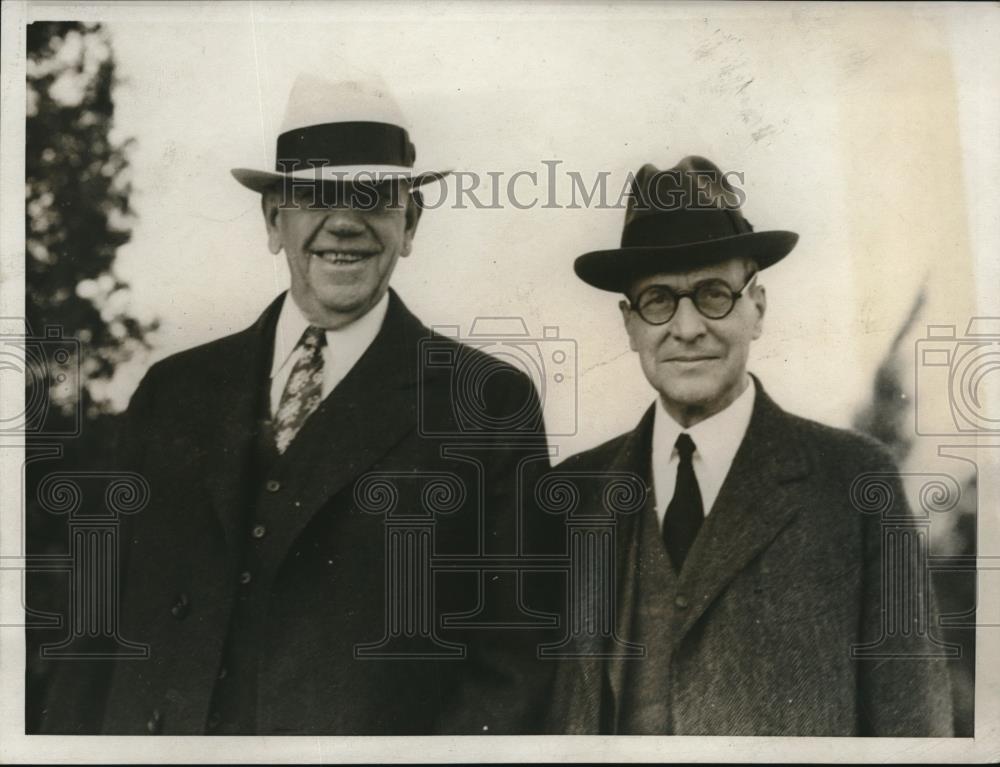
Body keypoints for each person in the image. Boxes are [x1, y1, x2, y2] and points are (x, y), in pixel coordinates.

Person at [39, 75, 553, 735]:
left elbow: (513, 668)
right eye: (314, 193)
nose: (344, 221)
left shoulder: (486, 404)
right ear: (273, 219)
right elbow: (91, 638)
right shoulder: (171, 392)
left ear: (411, 221)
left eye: (372, 195)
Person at [547, 156, 955, 736]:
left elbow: (914, 727)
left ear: (756, 309)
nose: (687, 328)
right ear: (629, 324)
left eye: (713, 294)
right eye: (658, 300)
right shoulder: (573, 492)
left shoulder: (855, 482)